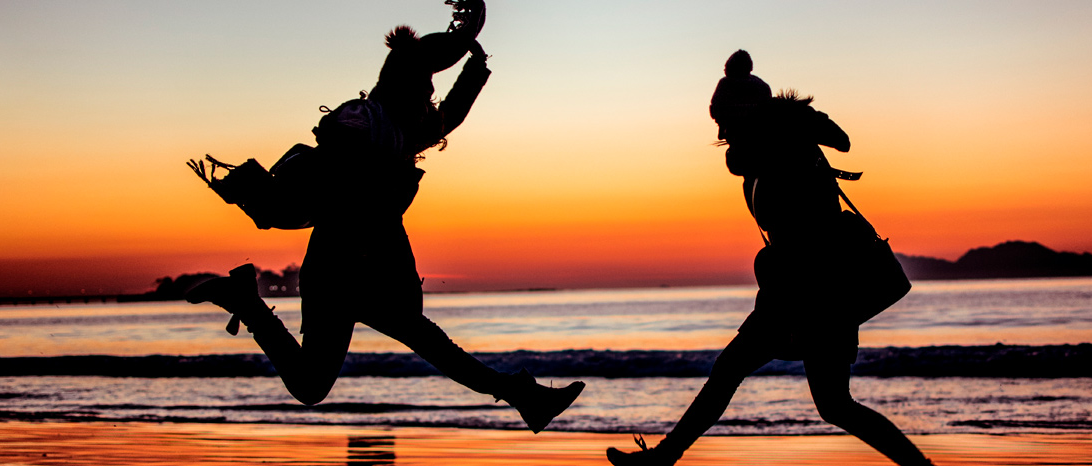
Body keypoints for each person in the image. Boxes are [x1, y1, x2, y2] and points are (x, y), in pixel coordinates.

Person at [186, 6, 584, 434]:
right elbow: (343, 176)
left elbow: (452, 113)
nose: (430, 93)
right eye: (425, 83)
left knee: (321, 380)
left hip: (362, 261)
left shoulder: (401, 129)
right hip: (342, 263)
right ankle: (527, 397)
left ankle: (527, 397)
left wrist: (476, 63)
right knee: (408, 345)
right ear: (404, 84)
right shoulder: (362, 119)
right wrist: (464, 37)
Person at [605, 50, 933, 466]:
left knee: (818, 400)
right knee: (789, 390)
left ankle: (664, 458)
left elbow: (811, 236)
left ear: (744, 115)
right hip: (797, 291)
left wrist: (800, 318)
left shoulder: (783, 154)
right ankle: (664, 458)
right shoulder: (767, 154)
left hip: (816, 293)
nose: (720, 129)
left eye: (724, 119)